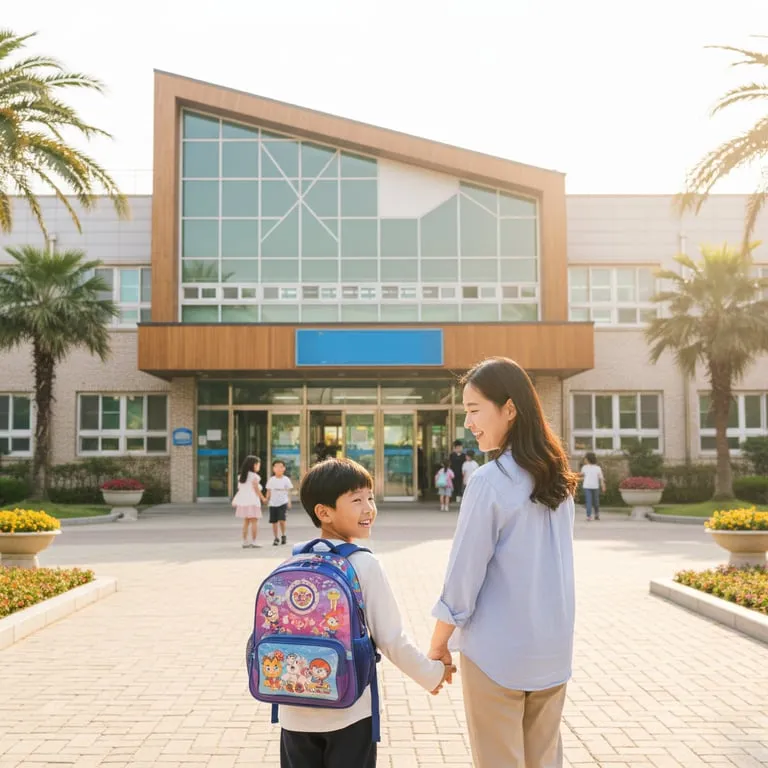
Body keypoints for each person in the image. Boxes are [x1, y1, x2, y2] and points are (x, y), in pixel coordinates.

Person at [429, 357, 577, 768]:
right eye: (465, 413)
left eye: (475, 410)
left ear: (509, 408)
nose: (469, 423)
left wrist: (439, 644)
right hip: (551, 653)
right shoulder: (559, 479)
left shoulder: (489, 482)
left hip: (497, 656)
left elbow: (463, 577)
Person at [279, 458, 455, 768]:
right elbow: (391, 639)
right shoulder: (363, 564)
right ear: (324, 512)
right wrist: (432, 674)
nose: (369, 508)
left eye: (370, 497)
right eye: (356, 500)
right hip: (350, 710)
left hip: (293, 709)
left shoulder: (290, 563)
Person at [232, 455, 266, 548]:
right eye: (258, 464)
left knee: (246, 522)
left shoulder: (241, 477)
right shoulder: (255, 476)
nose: (259, 466)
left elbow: (240, 489)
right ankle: (254, 541)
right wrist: (263, 498)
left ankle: (245, 541)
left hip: (244, 502)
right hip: (253, 501)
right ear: (254, 465)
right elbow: (256, 489)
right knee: (254, 522)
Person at [266, 459, 294, 545]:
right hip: (273, 503)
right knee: (274, 522)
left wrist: (289, 501)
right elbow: (268, 491)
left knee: (282, 520)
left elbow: (289, 492)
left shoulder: (286, 479)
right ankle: (276, 538)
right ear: (273, 469)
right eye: (276, 467)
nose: (278, 469)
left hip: (283, 502)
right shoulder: (271, 480)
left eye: (281, 467)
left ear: (284, 468)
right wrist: (266, 500)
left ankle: (283, 535)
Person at [579, 452, 606, 521]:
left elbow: (601, 478)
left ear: (588, 459)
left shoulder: (597, 468)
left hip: (595, 487)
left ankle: (596, 514)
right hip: (587, 487)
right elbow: (582, 476)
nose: (584, 460)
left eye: (585, 458)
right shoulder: (584, 467)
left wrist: (603, 485)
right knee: (588, 501)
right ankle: (589, 516)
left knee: (596, 502)